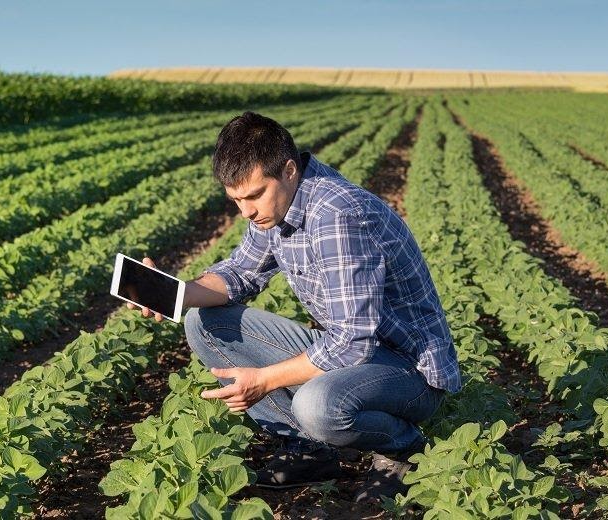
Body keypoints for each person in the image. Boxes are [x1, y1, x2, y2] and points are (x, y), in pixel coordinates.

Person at [129, 111, 460, 501]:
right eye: (236, 199)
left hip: (408, 371)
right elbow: (239, 273)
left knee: (317, 404)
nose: (247, 211)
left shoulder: (337, 216)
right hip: (358, 355)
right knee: (204, 323)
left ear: (289, 170)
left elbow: (352, 343)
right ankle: (311, 450)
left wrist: (264, 380)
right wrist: (173, 292)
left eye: (254, 195)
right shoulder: (278, 205)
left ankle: (402, 449)